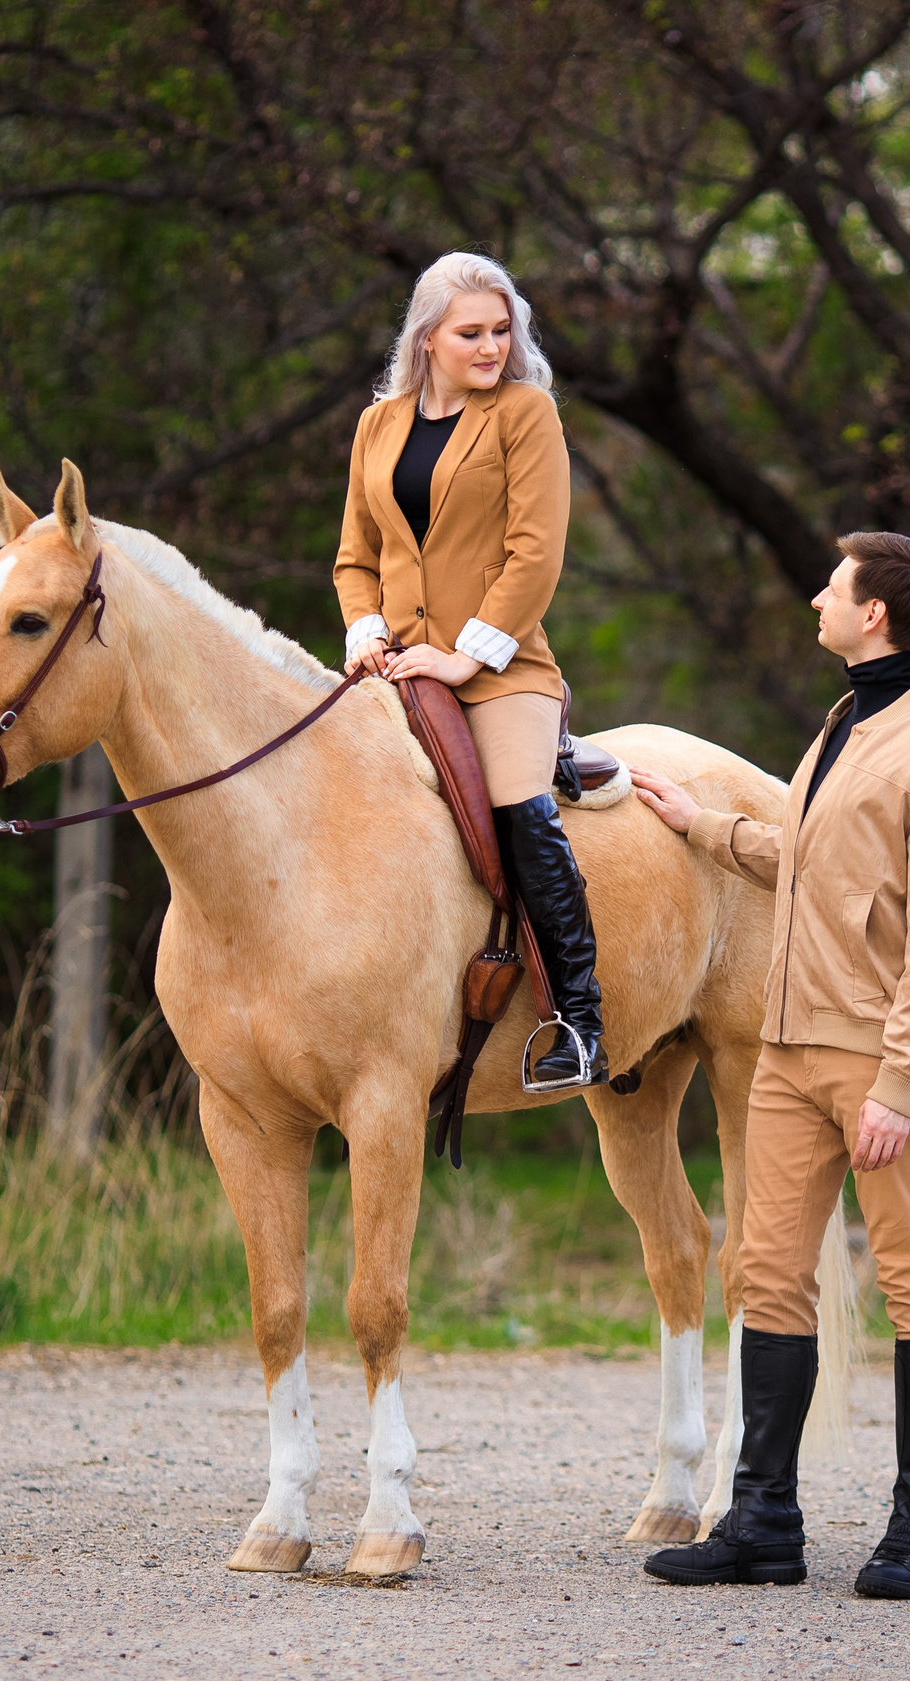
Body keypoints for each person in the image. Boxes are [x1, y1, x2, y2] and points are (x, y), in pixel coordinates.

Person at [626, 532, 910, 1600]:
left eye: (831, 589)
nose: (814, 600)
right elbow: (813, 858)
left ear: (874, 613)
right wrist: (705, 828)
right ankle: (763, 1524)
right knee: (767, 1274)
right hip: (787, 1052)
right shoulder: (848, 718)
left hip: (876, 1061)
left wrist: (902, 1082)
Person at [335, 252, 606, 1091]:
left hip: (500, 668)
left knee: (522, 810)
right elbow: (355, 556)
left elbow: (536, 554)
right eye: (472, 333)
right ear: (428, 340)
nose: (492, 347)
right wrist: (365, 631)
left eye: (501, 330)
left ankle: (578, 1021)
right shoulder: (377, 426)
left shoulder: (526, 415)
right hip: (395, 668)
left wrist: (463, 656)